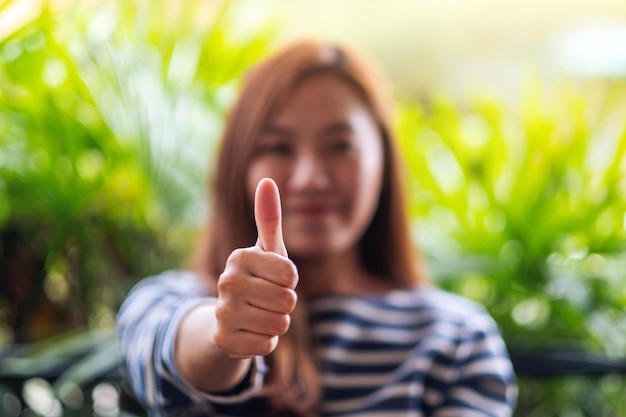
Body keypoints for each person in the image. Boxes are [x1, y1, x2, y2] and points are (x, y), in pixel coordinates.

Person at [117, 39, 517, 417]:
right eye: (278, 147)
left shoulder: (457, 335)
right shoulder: (167, 302)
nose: (310, 178)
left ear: (385, 163)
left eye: (341, 145)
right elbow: (166, 360)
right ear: (238, 165)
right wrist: (224, 333)